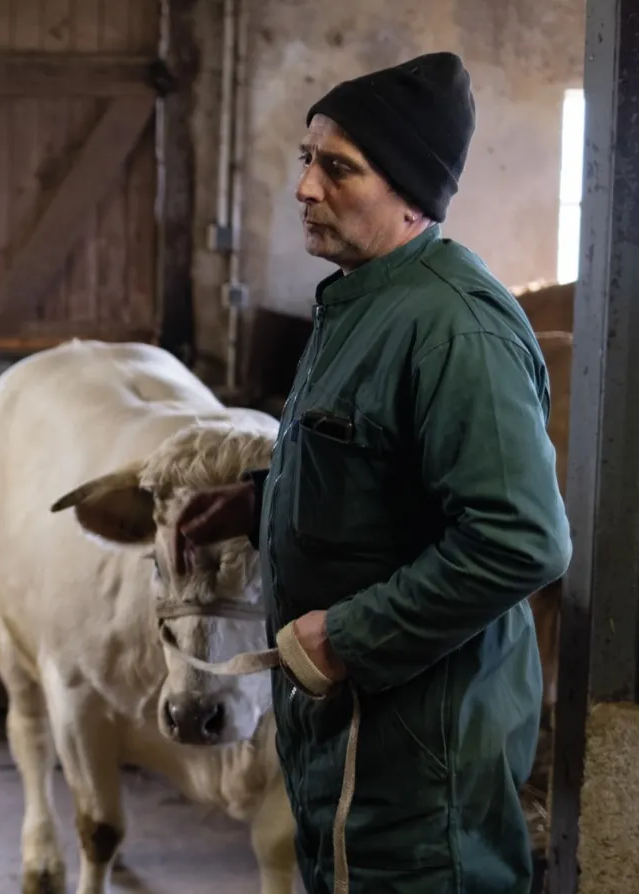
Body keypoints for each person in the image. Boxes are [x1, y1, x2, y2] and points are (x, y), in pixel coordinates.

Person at [172, 53, 571, 894]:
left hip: (417, 758)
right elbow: (377, 471)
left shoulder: (454, 328)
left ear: (412, 193)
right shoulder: (364, 300)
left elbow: (520, 540)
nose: (305, 188)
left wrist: (347, 637)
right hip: (351, 737)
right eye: (306, 160)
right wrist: (258, 502)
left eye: (338, 168)